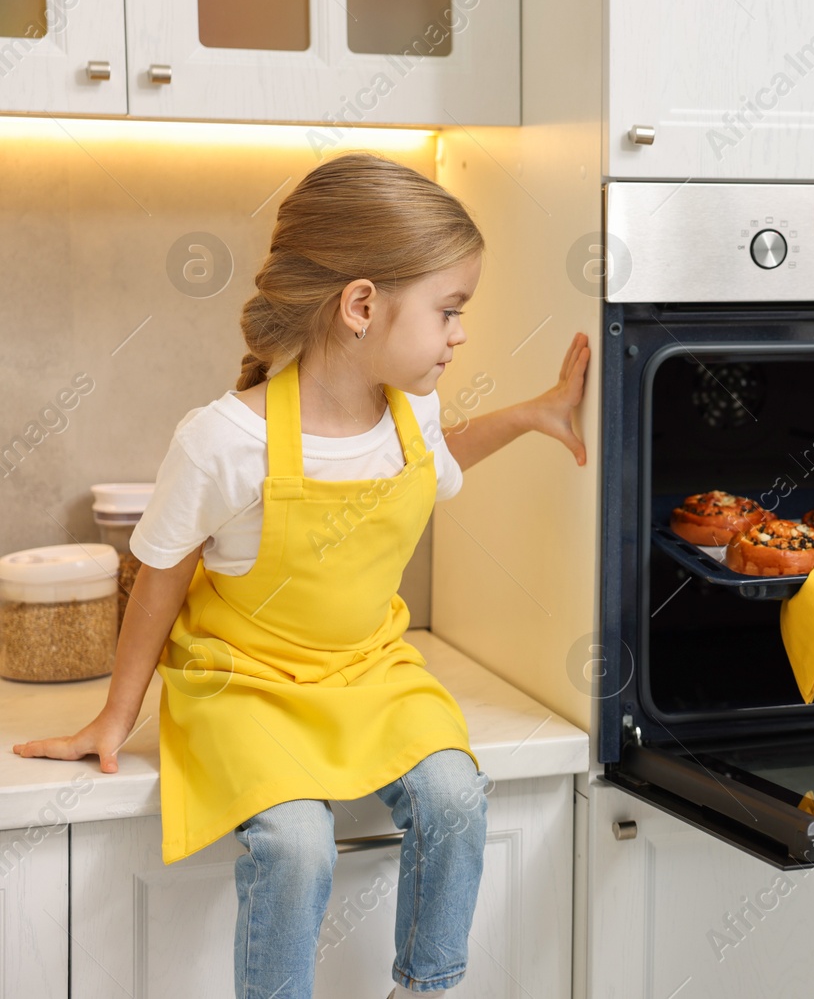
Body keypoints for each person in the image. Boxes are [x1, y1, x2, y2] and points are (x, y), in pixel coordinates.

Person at [11, 152, 590, 999]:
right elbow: (159, 573)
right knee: (294, 845)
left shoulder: (410, 408)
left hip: (369, 670)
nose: (460, 333)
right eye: (450, 309)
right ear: (361, 305)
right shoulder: (222, 439)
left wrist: (535, 412)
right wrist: (116, 714)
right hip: (246, 685)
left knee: (458, 797)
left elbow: (434, 461)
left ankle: (423, 990)